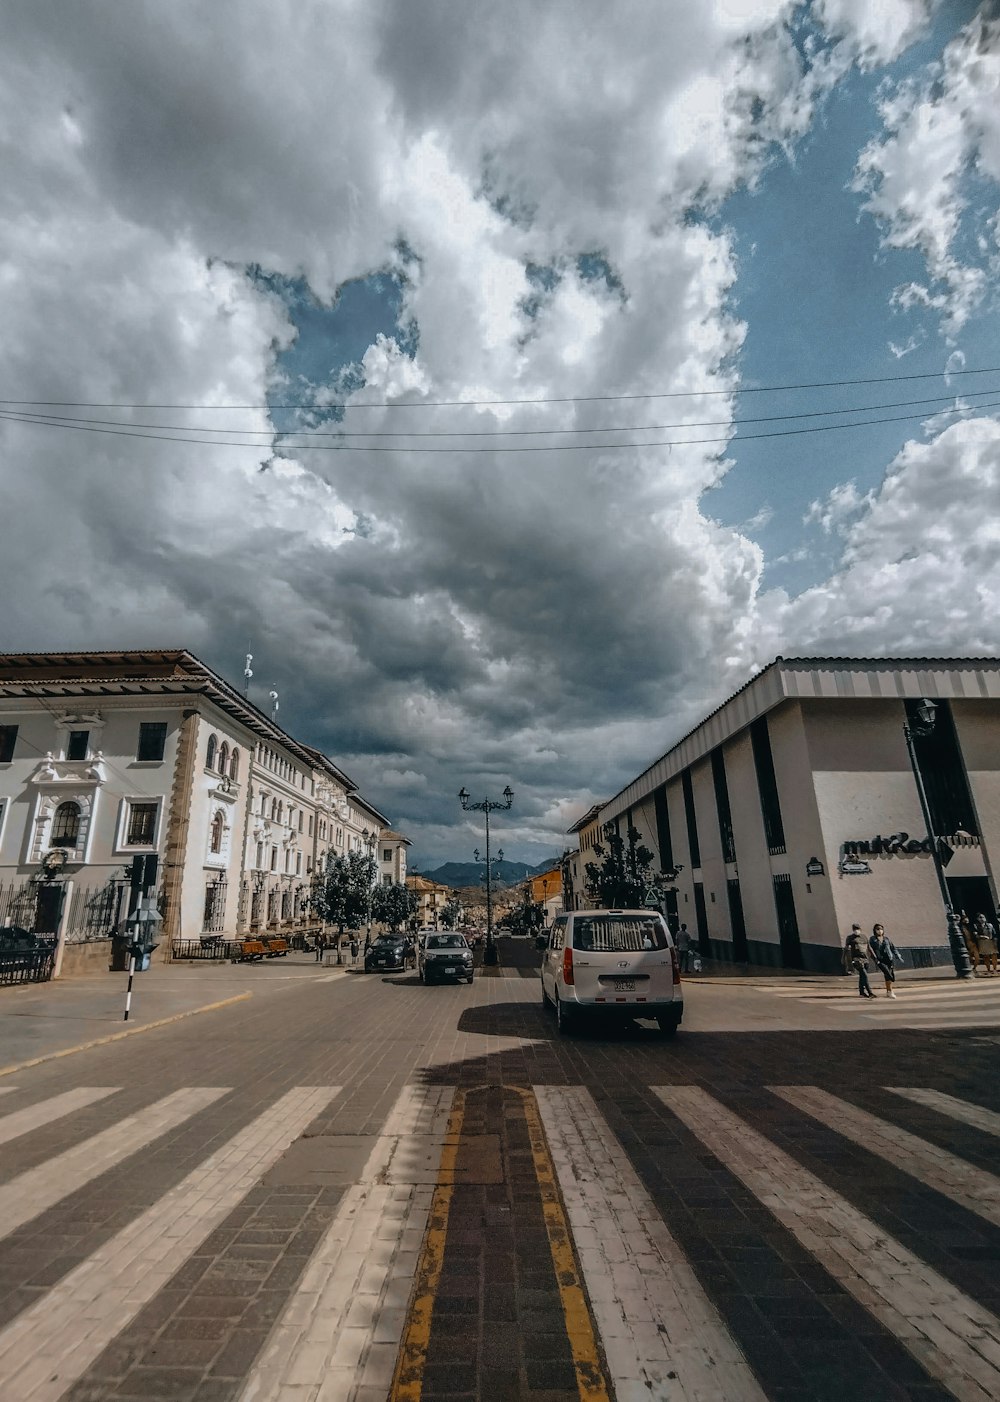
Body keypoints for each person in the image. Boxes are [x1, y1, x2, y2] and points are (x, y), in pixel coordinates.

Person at [867, 923, 901, 998]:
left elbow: (893, 947)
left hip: (889, 958)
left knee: (887, 976)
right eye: (878, 929)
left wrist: (897, 955)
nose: (880, 931)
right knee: (888, 973)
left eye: (881, 929)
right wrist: (875, 959)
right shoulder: (873, 939)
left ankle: (889, 991)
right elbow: (870, 950)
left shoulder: (886, 939)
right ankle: (891, 985)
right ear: (875, 930)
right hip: (880, 960)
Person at [843, 924, 876, 998]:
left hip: (865, 959)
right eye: (854, 929)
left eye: (857, 929)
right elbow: (846, 949)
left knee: (862, 976)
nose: (856, 930)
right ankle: (870, 992)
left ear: (860, 929)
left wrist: (874, 957)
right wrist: (844, 959)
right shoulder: (850, 938)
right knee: (865, 975)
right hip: (856, 959)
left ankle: (861, 992)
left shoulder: (864, 937)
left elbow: (869, 947)